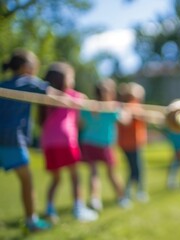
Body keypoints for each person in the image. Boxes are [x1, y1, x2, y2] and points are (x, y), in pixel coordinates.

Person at [0, 49, 53, 233]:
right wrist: (77, 100)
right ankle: (31, 222)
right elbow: (52, 93)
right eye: (34, 65)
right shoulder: (28, 81)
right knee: (27, 180)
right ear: (25, 67)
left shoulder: (4, 84)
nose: (36, 69)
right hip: (11, 139)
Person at [39, 62, 98, 223]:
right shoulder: (72, 96)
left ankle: (50, 209)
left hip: (48, 142)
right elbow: (86, 103)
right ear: (64, 80)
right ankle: (78, 209)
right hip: (66, 140)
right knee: (75, 176)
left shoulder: (45, 96)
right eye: (71, 77)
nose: (73, 80)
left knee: (56, 179)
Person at [80, 79, 129, 211]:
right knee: (99, 173)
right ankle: (99, 199)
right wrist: (122, 111)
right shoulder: (110, 107)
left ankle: (119, 198)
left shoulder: (102, 106)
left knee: (106, 173)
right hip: (96, 143)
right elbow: (125, 121)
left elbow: (81, 123)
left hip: (98, 143)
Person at [117, 82, 149, 203]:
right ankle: (133, 192)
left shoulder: (130, 106)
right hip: (130, 143)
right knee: (136, 169)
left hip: (131, 143)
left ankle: (134, 191)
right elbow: (126, 120)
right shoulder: (130, 106)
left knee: (135, 168)